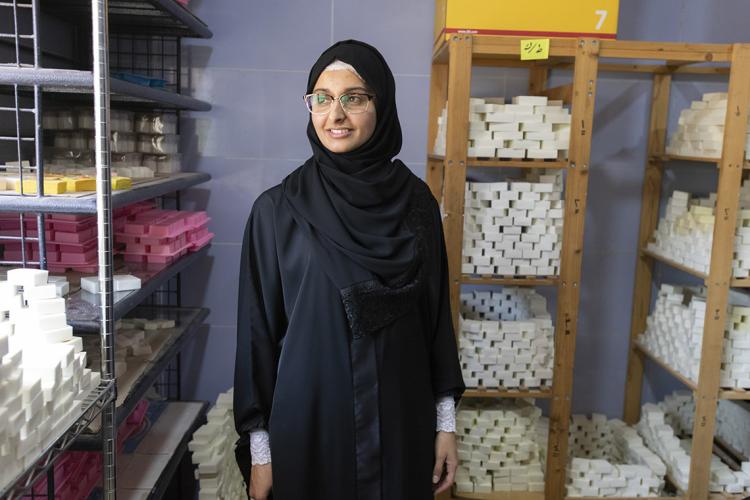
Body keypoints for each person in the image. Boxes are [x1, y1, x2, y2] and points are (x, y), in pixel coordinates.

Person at [233, 39, 465, 500]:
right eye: (321, 98)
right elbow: (257, 337)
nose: (334, 114)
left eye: (353, 98)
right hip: (311, 427)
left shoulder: (416, 203)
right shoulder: (277, 212)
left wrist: (445, 426)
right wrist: (261, 453)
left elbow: (436, 321)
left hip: (401, 421)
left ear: (382, 105)